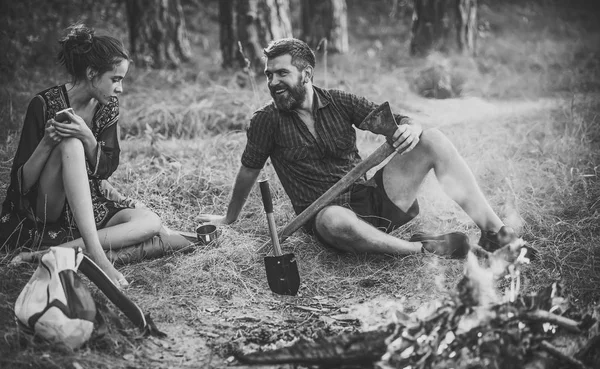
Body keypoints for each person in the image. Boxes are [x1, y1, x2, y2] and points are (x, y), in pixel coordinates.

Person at [198, 38, 529, 258]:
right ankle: (420, 249)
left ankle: (496, 232)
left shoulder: (340, 102)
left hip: (373, 198)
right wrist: (229, 217)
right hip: (329, 215)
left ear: (306, 74)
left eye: (282, 73)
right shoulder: (266, 121)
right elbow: (249, 170)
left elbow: (393, 121)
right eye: (269, 75)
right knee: (333, 221)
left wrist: (410, 128)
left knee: (433, 139)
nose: (272, 83)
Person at [0, 24, 193, 288]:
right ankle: (100, 259)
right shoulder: (42, 104)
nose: (120, 88)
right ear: (92, 73)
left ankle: (49, 254)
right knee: (70, 143)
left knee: (150, 222)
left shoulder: (107, 106)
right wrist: (47, 142)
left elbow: (105, 169)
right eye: (116, 79)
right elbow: (20, 185)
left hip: (85, 202)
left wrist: (88, 136)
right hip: (46, 209)